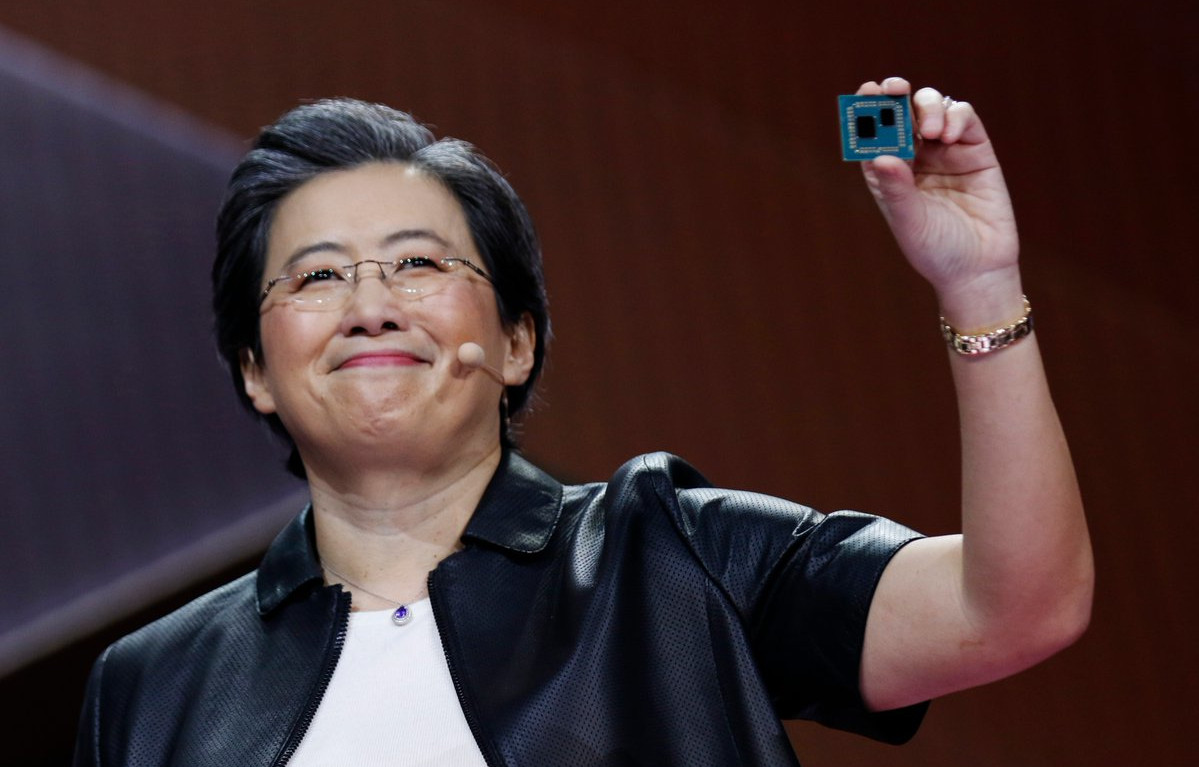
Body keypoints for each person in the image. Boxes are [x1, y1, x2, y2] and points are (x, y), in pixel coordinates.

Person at [72, 77, 1093, 766]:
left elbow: (1013, 607)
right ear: (256, 369)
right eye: (317, 275)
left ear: (517, 341)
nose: (370, 303)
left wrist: (978, 284)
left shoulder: (667, 552)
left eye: (418, 262)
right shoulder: (153, 686)